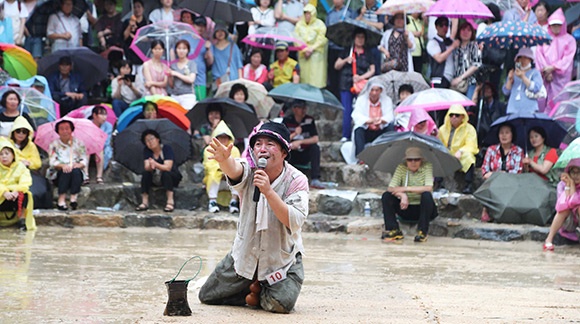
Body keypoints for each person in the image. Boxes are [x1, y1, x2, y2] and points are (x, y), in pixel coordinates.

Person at [198, 122, 308, 314]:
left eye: (270, 144)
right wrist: (224, 161)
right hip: (246, 253)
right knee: (208, 295)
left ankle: (261, 287)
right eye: (258, 144)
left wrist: (268, 191)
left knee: (280, 305)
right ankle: (252, 285)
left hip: (280, 260)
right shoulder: (249, 170)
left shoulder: (296, 180)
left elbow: (295, 220)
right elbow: (235, 169)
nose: (262, 149)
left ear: (283, 152)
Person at [381, 147, 436, 243]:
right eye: (410, 160)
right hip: (405, 207)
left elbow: (428, 188)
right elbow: (391, 188)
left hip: (421, 208)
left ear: (421, 160)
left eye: (416, 159)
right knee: (386, 196)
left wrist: (406, 188)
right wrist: (402, 195)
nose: (413, 162)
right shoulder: (401, 168)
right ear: (406, 161)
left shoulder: (427, 166)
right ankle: (393, 229)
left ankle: (422, 232)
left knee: (426, 195)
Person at [334, 28, 375, 142]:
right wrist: (346, 60)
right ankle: (345, 135)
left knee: (362, 109)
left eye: (362, 37)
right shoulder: (347, 51)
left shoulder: (368, 53)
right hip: (346, 84)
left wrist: (361, 77)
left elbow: (372, 70)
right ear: (354, 38)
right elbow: (336, 66)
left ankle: (361, 134)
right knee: (346, 110)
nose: (360, 40)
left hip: (361, 85)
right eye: (358, 37)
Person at [535, 9, 577, 114]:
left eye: (558, 24)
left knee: (559, 103)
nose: (556, 27)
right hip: (545, 78)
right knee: (543, 101)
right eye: (553, 25)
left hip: (560, 79)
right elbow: (539, 55)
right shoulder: (544, 38)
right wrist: (546, 70)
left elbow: (567, 59)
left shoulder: (570, 40)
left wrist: (553, 68)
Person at [10, 116, 52, 209]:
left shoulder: (31, 145)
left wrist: (28, 163)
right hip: (10, 173)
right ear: (13, 132)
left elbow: (37, 163)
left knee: (39, 189)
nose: (21, 134)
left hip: (29, 172)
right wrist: (19, 162)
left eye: (24, 132)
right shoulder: (7, 144)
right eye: (18, 131)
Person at [135, 129, 182, 212]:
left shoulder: (166, 149)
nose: (150, 142)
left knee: (166, 173)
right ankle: (144, 202)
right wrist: (150, 165)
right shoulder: (147, 151)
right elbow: (146, 167)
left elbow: (168, 167)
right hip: (156, 176)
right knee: (145, 174)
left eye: (152, 138)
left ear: (157, 139)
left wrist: (156, 164)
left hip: (171, 176)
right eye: (147, 140)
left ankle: (170, 201)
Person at [282, 99, 324, 189]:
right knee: (283, 150)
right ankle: (284, 178)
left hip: (305, 153)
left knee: (315, 148)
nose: (303, 110)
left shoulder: (309, 120)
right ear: (294, 109)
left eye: (304, 108)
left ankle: (315, 179)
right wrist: (295, 134)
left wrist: (300, 142)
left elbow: (315, 138)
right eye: (300, 108)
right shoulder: (287, 120)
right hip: (292, 153)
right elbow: (282, 139)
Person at [438, 104, 479, 194]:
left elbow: (472, 145)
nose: (454, 117)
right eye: (451, 115)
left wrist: (461, 151)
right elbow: (438, 144)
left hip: (461, 156)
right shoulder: (442, 129)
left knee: (469, 157)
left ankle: (468, 185)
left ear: (462, 116)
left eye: (457, 115)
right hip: (447, 155)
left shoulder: (469, 129)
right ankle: (438, 184)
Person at [48, 119, 87, 211]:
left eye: (67, 128)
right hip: (59, 173)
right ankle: (61, 199)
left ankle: (73, 198)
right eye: (61, 129)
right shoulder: (54, 144)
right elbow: (52, 161)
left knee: (76, 171)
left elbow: (84, 159)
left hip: (75, 171)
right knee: (65, 171)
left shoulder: (79, 143)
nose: (65, 131)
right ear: (58, 131)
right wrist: (62, 166)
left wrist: (78, 164)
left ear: (71, 130)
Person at [543, 158, 580, 252]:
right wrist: (570, 185)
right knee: (564, 210)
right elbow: (563, 205)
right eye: (573, 172)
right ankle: (549, 239)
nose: (576, 176)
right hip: (568, 220)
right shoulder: (562, 185)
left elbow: (576, 202)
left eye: (579, 172)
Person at [203, 121, 240, 213]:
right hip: (216, 180)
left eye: (225, 137)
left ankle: (234, 202)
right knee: (213, 175)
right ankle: (212, 202)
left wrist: (228, 172)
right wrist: (222, 170)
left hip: (230, 180)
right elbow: (208, 166)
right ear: (216, 138)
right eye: (221, 137)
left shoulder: (234, 150)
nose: (223, 139)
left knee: (239, 176)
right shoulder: (209, 149)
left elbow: (237, 164)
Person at [351, 80, 395, 157]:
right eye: (372, 90)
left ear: (381, 91)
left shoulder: (387, 100)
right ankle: (360, 157)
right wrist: (369, 121)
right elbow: (356, 115)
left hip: (380, 129)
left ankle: (388, 155)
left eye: (376, 90)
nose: (374, 93)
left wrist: (381, 120)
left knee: (390, 128)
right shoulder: (361, 99)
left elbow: (390, 116)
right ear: (368, 90)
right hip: (367, 130)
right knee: (358, 130)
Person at [0, 138, 35, 231]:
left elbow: (25, 181)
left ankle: (22, 219)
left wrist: (17, 190)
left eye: (7, 154)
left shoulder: (20, 166)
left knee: (26, 194)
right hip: (2, 196)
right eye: (1, 154)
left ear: (13, 155)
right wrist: (3, 192)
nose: (4, 157)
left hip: (15, 195)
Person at [325, 0, 356, 98]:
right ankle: (334, 98)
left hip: (344, 48)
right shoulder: (330, 14)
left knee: (343, 77)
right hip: (332, 48)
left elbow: (354, 27)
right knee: (332, 77)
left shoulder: (349, 12)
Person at [502, 47, 544, 114]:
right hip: (513, 109)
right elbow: (506, 92)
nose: (523, 60)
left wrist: (522, 77)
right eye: (520, 58)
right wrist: (510, 80)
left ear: (530, 59)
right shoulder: (514, 73)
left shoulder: (535, 73)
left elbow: (536, 88)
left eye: (526, 58)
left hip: (530, 110)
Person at [294, 4, 328, 88]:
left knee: (316, 78)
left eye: (309, 13)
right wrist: (305, 50)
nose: (307, 16)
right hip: (303, 54)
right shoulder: (299, 24)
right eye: (305, 13)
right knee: (304, 76)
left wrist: (312, 48)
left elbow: (323, 38)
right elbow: (296, 38)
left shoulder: (320, 24)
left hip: (316, 55)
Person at [451, 21, 481, 99]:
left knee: (468, 105)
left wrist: (461, 78)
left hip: (470, 81)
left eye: (468, 30)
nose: (465, 32)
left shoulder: (474, 46)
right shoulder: (455, 47)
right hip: (456, 82)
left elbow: (476, 65)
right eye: (463, 29)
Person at [427, 17, 459, 89]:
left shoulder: (450, 41)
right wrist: (452, 47)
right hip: (439, 79)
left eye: (446, 25)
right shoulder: (433, 43)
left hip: (452, 80)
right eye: (441, 25)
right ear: (436, 27)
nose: (444, 27)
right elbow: (439, 58)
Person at [84, 106, 113, 185]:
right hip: (88, 146)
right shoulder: (87, 124)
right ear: (94, 115)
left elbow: (106, 141)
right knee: (87, 149)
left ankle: (99, 176)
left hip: (101, 147)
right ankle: (85, 175)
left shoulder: (108, 126)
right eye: (101, 115)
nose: (104, 117)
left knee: (99, 149)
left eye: (105, 115)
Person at [211, 25, 243, 92]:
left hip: (233, 79)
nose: (220, 33)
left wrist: (240, 80)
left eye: (222, 31)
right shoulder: (212, 48)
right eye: (217, 31)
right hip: (219, 81)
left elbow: (239, 65)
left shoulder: (233, 46)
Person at [168, 39, 197, 110]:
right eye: (179, 48)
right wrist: (169, 76)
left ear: (188, 50)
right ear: (176, 50)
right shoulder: (173, 65)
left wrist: (176, 74)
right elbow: (171, 85)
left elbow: (191, 79)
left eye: (184, 48)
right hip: (175, 96)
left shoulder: (191, 64)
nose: (181, 51)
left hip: (188, 95)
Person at [192, 15, 213, 101]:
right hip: (185, 78)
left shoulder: (206, 42)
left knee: (200, 104)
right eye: (198, 25)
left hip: (200, 78)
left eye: (203, 25)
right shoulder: (184, 38)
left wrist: (208, 49)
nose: (200, 28)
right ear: (193, 25)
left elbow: (210, 62)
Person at [122, 0, 148, 66]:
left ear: (143, 8)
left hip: (143, 54)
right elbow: (124, 36)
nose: (137, 9)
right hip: (129, 54)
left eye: (139, 7)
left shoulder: (148, 23)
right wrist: (130, 25)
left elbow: (149, 38)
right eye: (134, 7)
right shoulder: (127, 22)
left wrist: (135, 37)